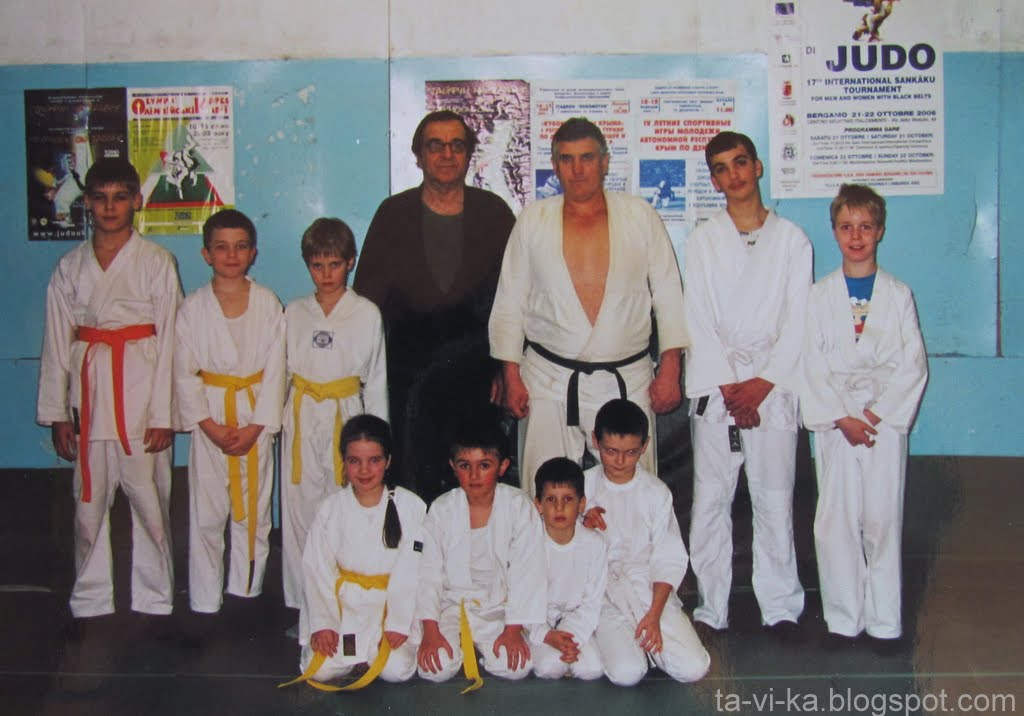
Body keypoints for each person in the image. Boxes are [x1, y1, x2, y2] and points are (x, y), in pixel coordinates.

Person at [490, 117, 686, 498]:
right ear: (555, 164)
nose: (577, 169)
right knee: (544, 493)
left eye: (587, 158)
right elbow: (509, 300)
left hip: (626, 376)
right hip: (548, 377)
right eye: (566, 159)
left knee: (634, 495)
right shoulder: (533, 220)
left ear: (605, 161)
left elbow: (668, 293)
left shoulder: (639, 216)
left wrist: (671, 368)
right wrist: (511, 375)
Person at [37, 157, 180, 624]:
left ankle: (155, 596)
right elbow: (56, 342)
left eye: (120, 197)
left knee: (150, 502)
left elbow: (171, 342)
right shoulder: (69, 267)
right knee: (87, 504)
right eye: (100, 198)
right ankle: (91, 596)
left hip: (142, 395)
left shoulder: (157, 262)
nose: (110, 207)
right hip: (89, 395)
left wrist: (164, 415)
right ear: (87, 203)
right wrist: (58, 413)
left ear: (137, 201)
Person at [683, 131, 811, 634]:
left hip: (771, 390)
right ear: (714, 181)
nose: (733, 174)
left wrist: (762, 384)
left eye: (740, 162)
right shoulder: (703, 239)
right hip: (720, 390)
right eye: (721, 168)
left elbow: (798, 321)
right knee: (710, 499)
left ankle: (780, 605)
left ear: (757, 167)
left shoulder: (793, 240)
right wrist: (731, 387)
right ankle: (710, 605)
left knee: (774, 498)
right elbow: (696, 316)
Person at [353, 110, 516, 504]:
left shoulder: (494, 214)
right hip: (411, 381)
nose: (446, 154)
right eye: (435, 146)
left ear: (469, 154)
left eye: (456, 145)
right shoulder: (393, 215)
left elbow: (515, 298)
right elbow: (365, 306)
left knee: (475, 487)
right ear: (419, 156)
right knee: (414, 486)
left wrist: (506, 367)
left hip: (478, 380)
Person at [801, 184, 927, 649]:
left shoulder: (898, 294)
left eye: (865, 227)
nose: (856, 237)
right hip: (838, 423)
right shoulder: (818, 296)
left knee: (882, 520)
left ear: (880, 231)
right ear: (834, 231)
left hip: (881, 422)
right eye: (846, 227)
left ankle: (884, 621)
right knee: (835, 522)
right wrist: (841, 416)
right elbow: (810, 362)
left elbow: (913, 364)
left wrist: (874, 413)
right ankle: (843, 619)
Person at [174, 209, 286, 614]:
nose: (231, 255)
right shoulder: (192, 308)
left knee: (253, 512)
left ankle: (246, 591)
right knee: (206, 513)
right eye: (221, 247)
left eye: (240, 247)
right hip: (211, 419)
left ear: (253, 252)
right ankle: (205, 600)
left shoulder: (268, 303)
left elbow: (277, 369)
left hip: (255, 417)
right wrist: (208, 426)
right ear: (206, 254)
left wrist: (257, 426)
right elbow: (183, 372)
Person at [281, 217, 388, 612]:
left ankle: (345, 602)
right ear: (307, 265)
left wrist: (377, 438)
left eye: (334, 264)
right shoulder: (294, 312)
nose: (326, 274)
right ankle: (303, 604)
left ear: (350, 263)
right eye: (317, 265)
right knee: (299, 511)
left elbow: (376, 380)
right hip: (301, 414)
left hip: (347, 415)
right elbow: (279, 374)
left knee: (345, 505)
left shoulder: (366, 313)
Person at [285, 415, 426, 688]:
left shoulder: (411, 507)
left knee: (396, 669)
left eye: (374, 460)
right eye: (354, 461)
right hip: (345, 609)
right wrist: (323, 623)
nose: (364, 470)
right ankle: (354, 651)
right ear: (343, 462)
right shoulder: (330, 509)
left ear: (388, 461)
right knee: (321, 670)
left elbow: (412, 572)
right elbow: (317, 569)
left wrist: (398, 623)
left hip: (390, 607)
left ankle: (375, 651)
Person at [582, 399, 709, 685]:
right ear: (595, 441)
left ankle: (644, 640)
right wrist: (581, 526)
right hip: (602, 593)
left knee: (693, 668)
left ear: (645, 446)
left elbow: (668, 559)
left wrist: (654, 616)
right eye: (611, 451)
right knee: (627, 674)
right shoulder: (582, 486)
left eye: (630, 452)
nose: (620, 461)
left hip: (647, 588)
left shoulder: (655, 492)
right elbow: (557, 542)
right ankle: (611, 640)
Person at [416, 421, 546, 689]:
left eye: (484, 465)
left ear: (503, 466)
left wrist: (513, 630)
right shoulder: (442, 509)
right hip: (452, 606)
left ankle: (479, 649)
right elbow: (428, 573)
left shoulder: (518, 506)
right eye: (465, 465)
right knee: (433, 670)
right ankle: (461, 647)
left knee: (516, 668)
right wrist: (430, 631)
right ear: (453, 467)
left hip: (497, 607)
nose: (474, 475)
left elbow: (527, 570)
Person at [529, 457, 607, 681]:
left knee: (592, 669)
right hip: (537, 622)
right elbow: (522, 599)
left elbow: (592, 602)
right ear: (538, 504)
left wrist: (572, 639)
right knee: (550, 668)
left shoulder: (595, 544)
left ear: (582, 504)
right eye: (551, 499)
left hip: (576, 621)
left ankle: (569, 648)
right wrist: (546, 634)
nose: (559, 508)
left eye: (568, 499)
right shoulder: (528, 544)